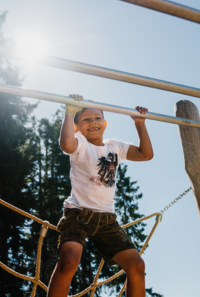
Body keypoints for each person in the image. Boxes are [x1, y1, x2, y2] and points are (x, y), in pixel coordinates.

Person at [47, 94, 153, 297]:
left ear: (104, 123)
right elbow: (66, 145)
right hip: (78, 215)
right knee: (69, 260)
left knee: (137, 265)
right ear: (77, 127)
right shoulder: (79, 143)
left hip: (107, 220)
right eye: (85, 119)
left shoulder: (115, 146)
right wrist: (69, 112)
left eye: (97, 118)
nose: (93, 123)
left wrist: (140, 124)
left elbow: (145, 154)